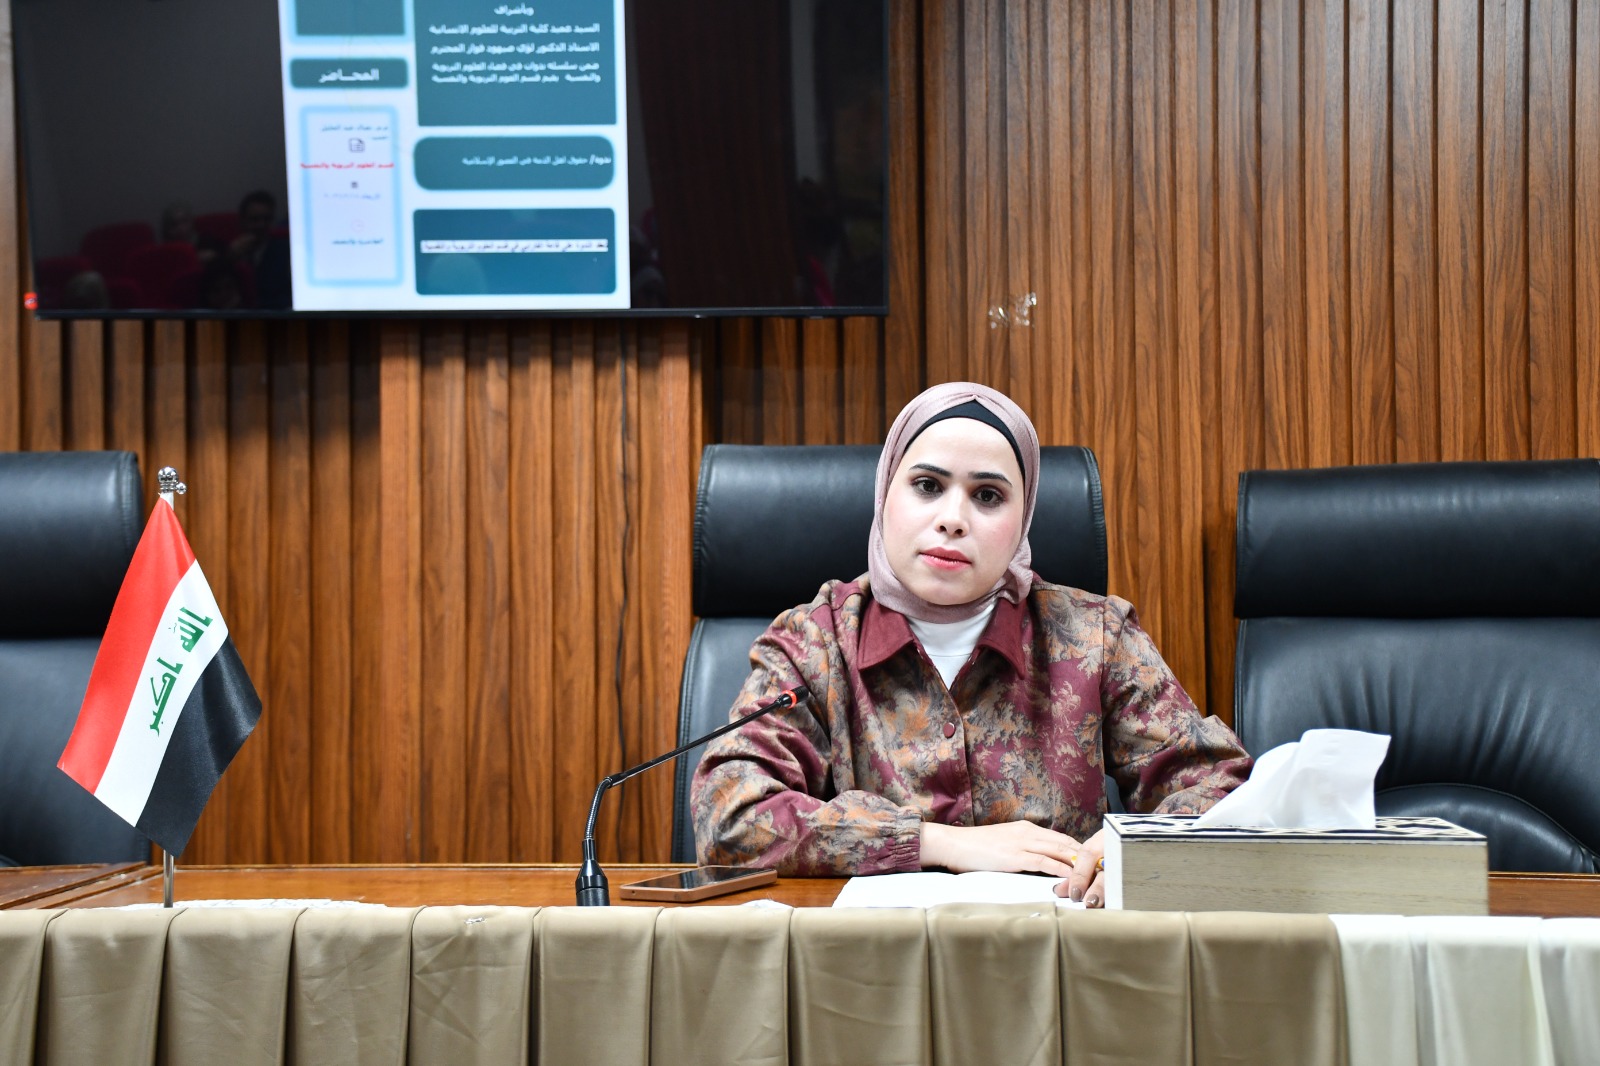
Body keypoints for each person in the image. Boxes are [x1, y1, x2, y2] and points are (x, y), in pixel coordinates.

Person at [690, 382, 1252, 907]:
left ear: (1023, 519)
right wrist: (933, 842)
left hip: (1056, 958)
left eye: (987, 495)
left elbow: (1222, 789)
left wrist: (1138, 845)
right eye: (927, 486)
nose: (953, 520)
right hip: (869, 963)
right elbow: (730, 813)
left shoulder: (1094, 637)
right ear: (885, 495)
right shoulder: (815, 641)